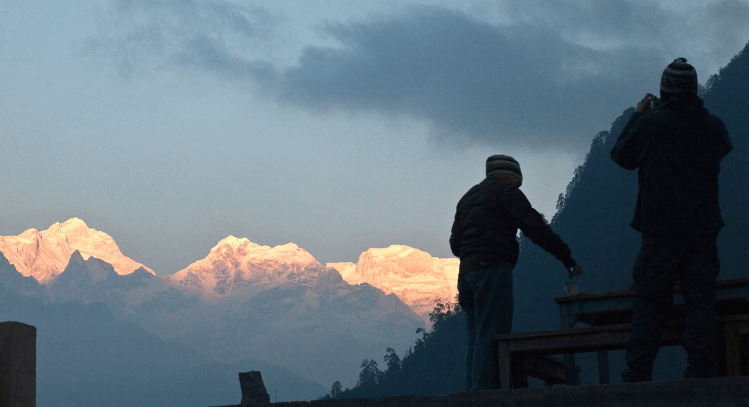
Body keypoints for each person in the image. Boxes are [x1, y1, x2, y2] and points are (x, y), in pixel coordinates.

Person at [610, 58, 733, 382]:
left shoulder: (651, 126)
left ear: (664, 91)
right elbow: (724, 148)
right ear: (693, 90)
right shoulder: (714, 128)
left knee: (649, 303)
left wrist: (639, 115)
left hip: (659, 230)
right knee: (701, 302)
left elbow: (621, 156)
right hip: (702, 229)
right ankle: (701, 373)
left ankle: (638, 374)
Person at [449, 154, 582, 390]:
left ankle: (471, 393)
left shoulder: (467, 198)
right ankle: (486, 394)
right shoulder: (507, 192)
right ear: (513, 177)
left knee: (475, 335)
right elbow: (535, 228)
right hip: (492, 269)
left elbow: (455, 245)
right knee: (491, 334)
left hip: (466, 274)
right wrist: (566, 257)